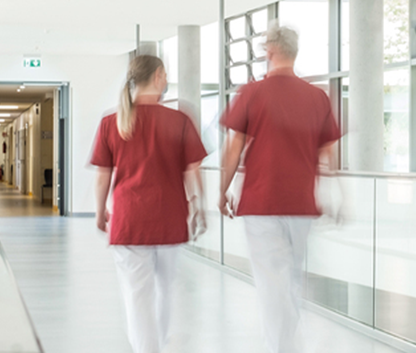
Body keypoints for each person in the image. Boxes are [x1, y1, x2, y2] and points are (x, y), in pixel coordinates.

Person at [219, 22, 341, 353]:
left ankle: (281, 347)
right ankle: (286, 344)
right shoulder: (317, 96)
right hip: (301, 204)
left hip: (261, 203)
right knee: (289, 282)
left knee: (273, 284)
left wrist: (222, 189)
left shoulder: (252, 93)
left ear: (270, 52)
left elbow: (233, 147)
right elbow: (330, 154)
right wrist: (335, 194)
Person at [90, 55, 207, 353]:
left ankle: (146, 349)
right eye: (165, 75)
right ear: (157, 76)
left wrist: (100, 211)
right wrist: (199, 206)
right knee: (165, 292)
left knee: (136, 295)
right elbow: (192, 170)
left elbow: (104, 176)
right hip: (169, 219)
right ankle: (157, 345)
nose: (166, 81)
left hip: (129, 221)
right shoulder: (179, 120)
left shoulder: (111, 122)